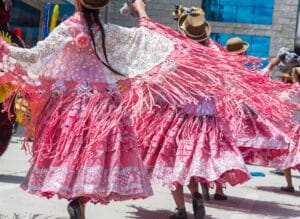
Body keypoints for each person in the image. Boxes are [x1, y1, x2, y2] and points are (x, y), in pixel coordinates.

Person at [0, 1, 299, 219]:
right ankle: (87, 197)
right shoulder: (113, 33)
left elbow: (34, 56)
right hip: (110, 107)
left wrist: (5, 51)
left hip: (75, 107)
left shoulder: (70, 29)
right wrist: (143, 15)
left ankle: (81, 198)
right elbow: (151, 41)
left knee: (75, 155)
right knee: (96, 156)